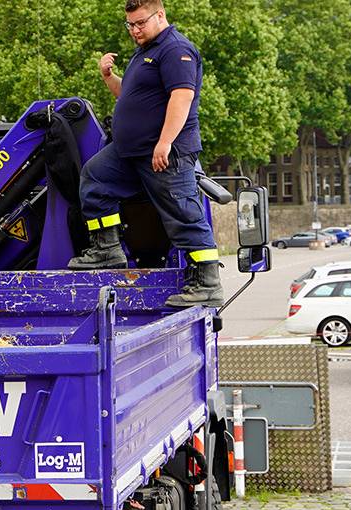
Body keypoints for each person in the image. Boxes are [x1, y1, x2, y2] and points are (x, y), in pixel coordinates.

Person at [72, 0, 220, 308]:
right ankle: (107, 250)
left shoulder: (176, 50)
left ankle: (207, 283)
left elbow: (182, 97)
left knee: (183, 214)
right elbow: (130, 96)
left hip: (166, 152)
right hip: (130, 153)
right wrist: (108, 76)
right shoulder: (146, 52)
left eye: (141, 23)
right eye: (130, 25)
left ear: (160, 15)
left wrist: (164, 143)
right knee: (95, 178)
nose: (135, 30)